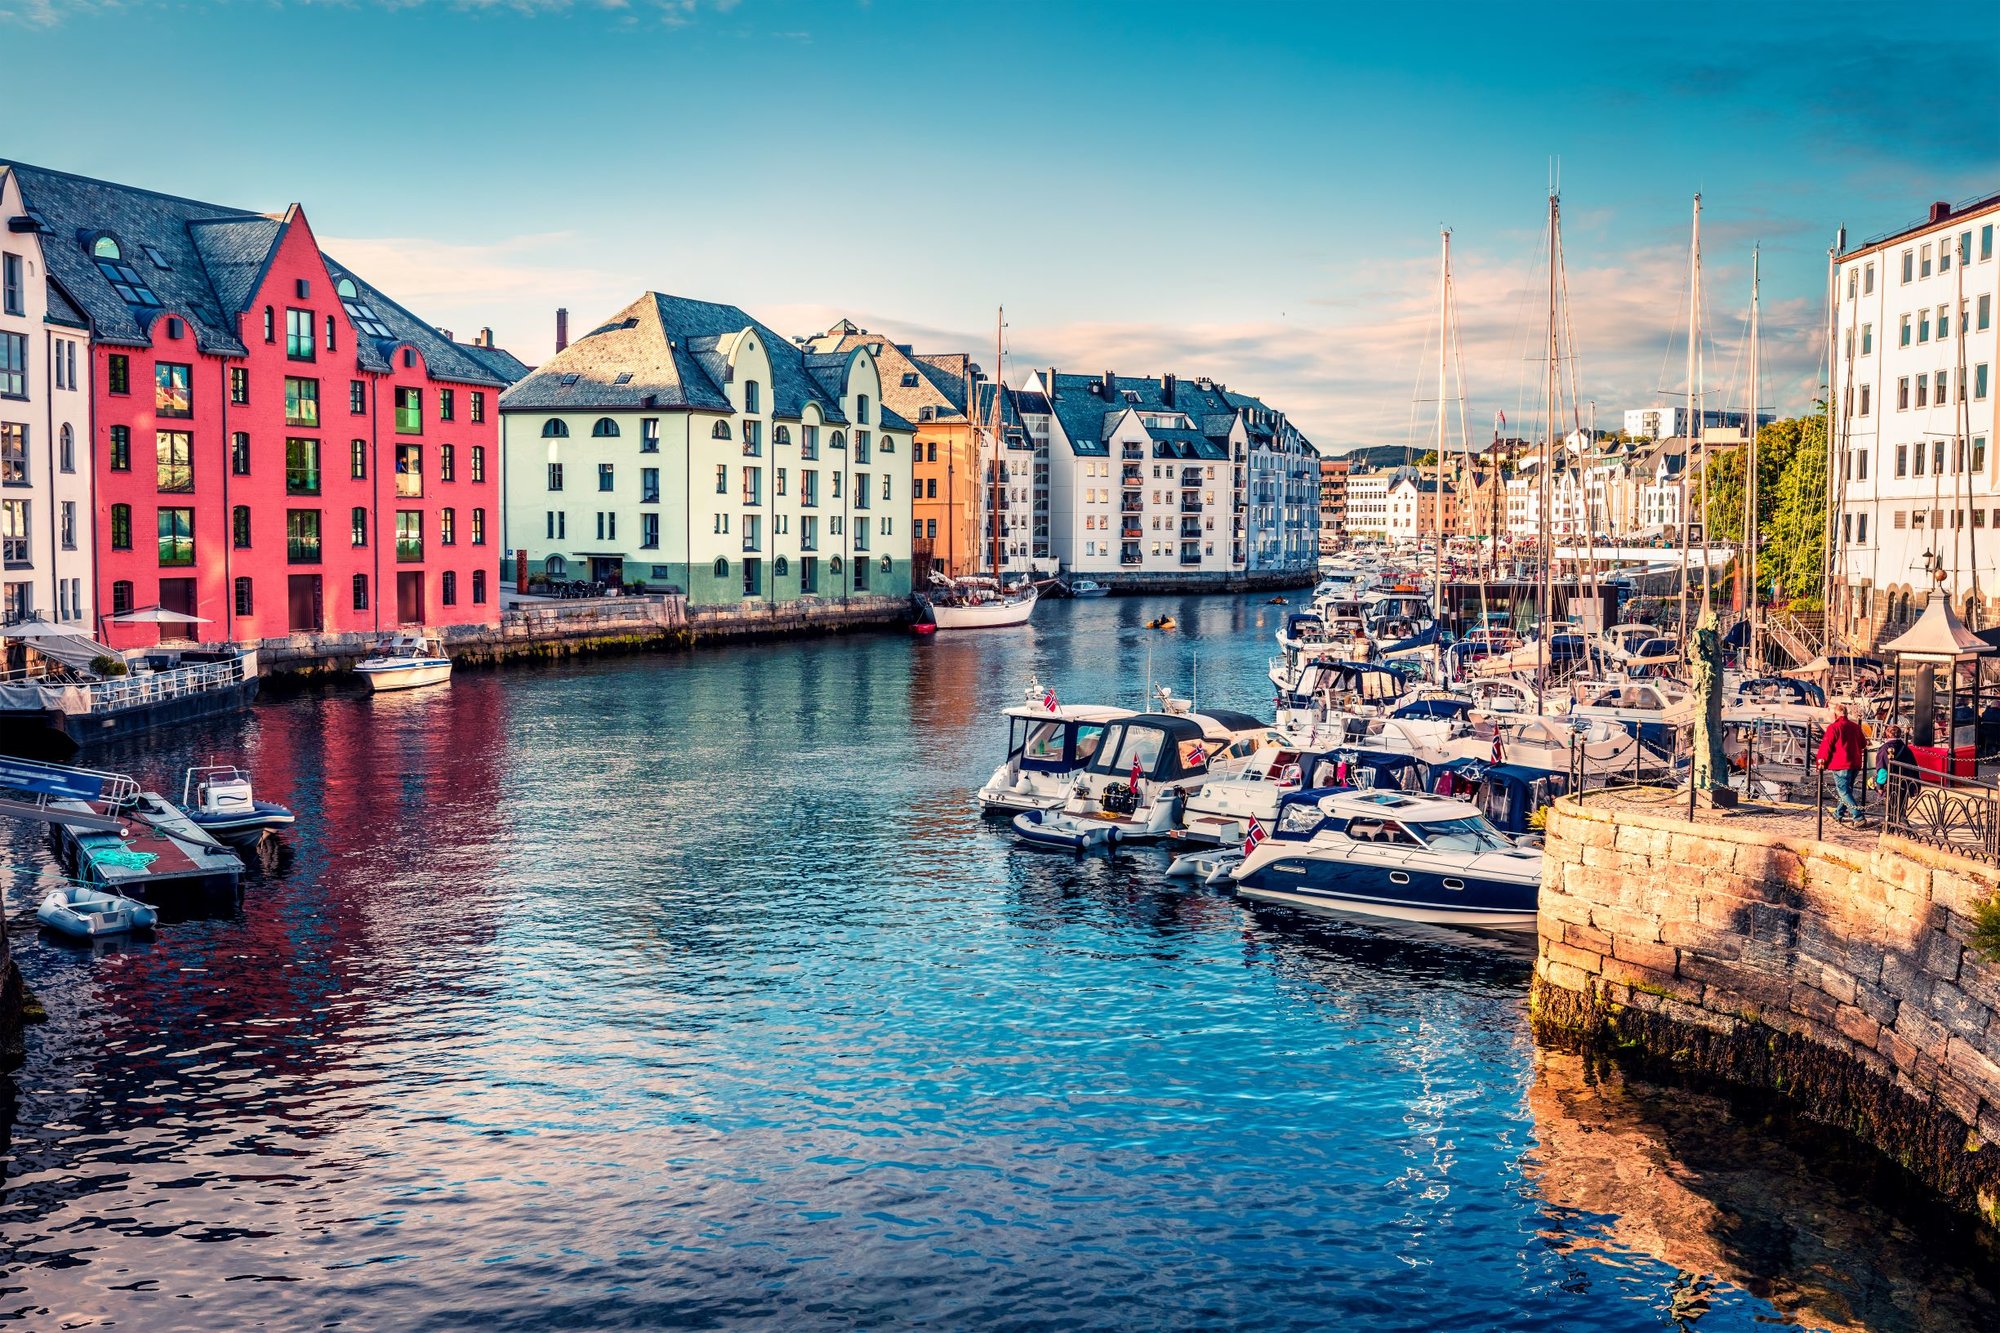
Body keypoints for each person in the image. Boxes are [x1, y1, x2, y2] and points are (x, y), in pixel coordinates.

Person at [1815, 702, 1868, 824]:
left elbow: (1826, 747)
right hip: (1854, 763)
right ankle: (1838, 814)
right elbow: (1863, 744)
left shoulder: (1834, 727)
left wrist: (1820, 762)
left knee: (1843, 792)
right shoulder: (1855, 727)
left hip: (1841, 764)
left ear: (1835, 714)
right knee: (1846, 791)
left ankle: (1858, 817)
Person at [1875, 723, 1914, 825]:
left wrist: (1880, 785)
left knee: (1892, 805)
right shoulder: (1906, 748)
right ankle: (1898, 822)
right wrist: (1916, 785)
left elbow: (1883, 769)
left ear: (1887, 735)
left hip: (1891, 782)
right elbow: (1914, 766)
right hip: (1905, 781)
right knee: (1901, 806)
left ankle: (1892, 825)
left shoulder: (1884, 749)